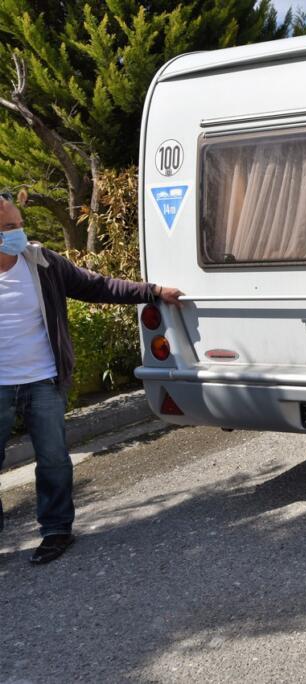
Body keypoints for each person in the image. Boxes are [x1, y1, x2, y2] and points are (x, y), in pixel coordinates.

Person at [0, 192, 183, 565]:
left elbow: (95, 285)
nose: (19, 233)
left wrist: (152, 292)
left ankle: (56, 530)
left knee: (53, 459)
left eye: (19, 224)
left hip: (43, 379)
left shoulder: (42, 262)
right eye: (8, 227)